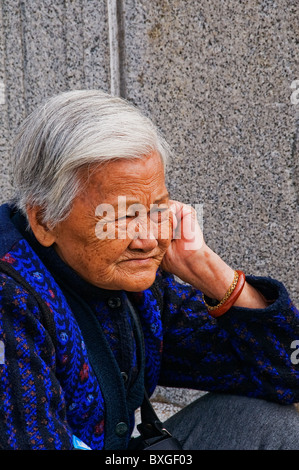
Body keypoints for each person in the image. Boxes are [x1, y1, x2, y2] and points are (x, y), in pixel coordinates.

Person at [0, 89, 298, 450]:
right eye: (122, 215)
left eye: (158, 209)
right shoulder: (11, 299)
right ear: (44, 220)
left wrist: (211, 274)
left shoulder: (138, 282)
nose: (148, 239)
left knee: (275, 424)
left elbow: (287, 375)